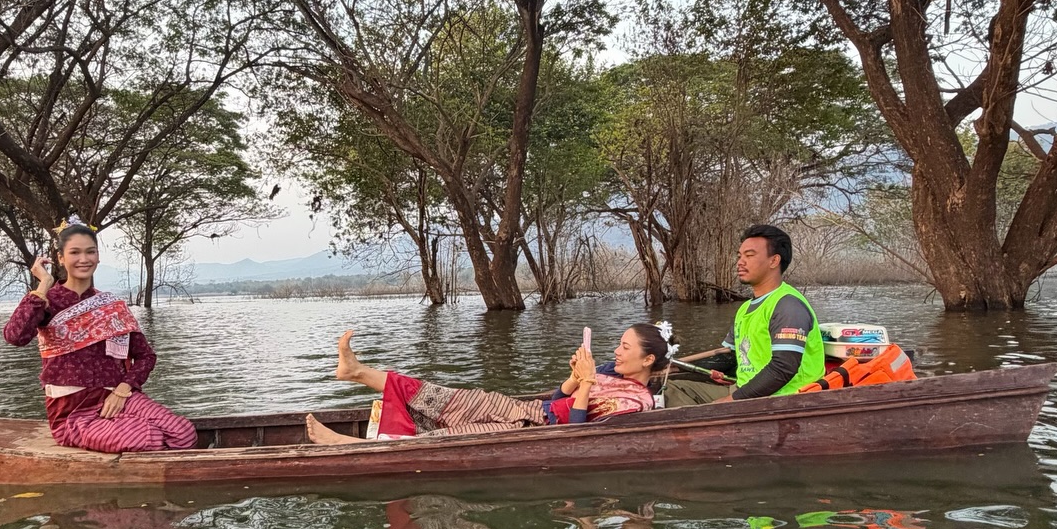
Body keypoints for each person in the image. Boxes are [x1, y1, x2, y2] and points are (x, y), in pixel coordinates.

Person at [3, 216, 197, 453]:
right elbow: (15, 336)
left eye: (90, 252)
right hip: (73, 412)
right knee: (148, 439)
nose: (83, 259)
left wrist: (123, 389)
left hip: (117, 397)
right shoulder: (48, 301)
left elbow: (146, 356)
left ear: (98, 256)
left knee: (183, 433)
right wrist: (43, 285)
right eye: (74, 252)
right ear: (61, 258)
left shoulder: (110, 305)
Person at [303, 323, 672, 445]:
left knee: (445, 438)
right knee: (440, 397)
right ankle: (356, 371)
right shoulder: (609, 371)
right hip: (529, 410)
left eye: (625, 347)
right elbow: (558, 397)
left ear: (648, 359)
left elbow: (576, 433)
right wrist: (576, 380)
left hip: (535, 431)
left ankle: (344, 444)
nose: (616, 351)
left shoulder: (636, 403)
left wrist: (588, 385)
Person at [679, 224, 825, 400]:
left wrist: (732, 400)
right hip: (745, 389)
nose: (740, 262)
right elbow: (732, 356)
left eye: (749, 256)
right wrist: (676, 367)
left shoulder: (788, 306)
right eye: (740, 256)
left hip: (783, 399)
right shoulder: (745, 308)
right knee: (670, 388)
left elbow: (783, 368)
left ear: (774, 261)